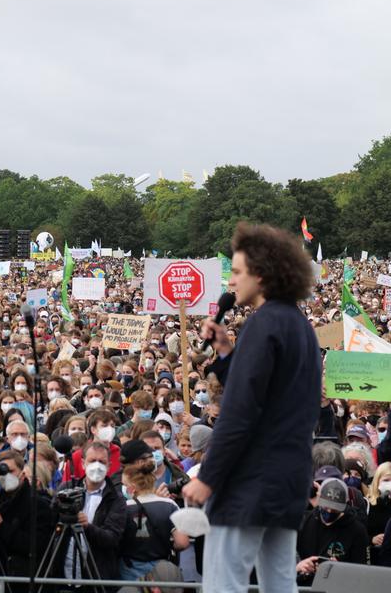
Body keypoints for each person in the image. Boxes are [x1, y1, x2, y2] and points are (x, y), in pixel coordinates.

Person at [184, 223, 321, 592]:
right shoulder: (298, 325)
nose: (232, 281)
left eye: (238, 272)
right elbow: (274, 396)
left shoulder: (263, 325)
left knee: (223, 583)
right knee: (279, 583)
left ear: (261, 276)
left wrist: (207, 477)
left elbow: (240, 412)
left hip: (250, 482)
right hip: (287, 480)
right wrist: (228, 353)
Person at [117, 440, 189, 582]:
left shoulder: (124, 507)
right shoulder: (169, 505)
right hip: (161, 569)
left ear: (131, 485)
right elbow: (182, 542)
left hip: (129, 568)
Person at [55, 440, 127, 583]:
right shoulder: (67, 488)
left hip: (97, 574)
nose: (97, 465)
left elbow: (112, 538)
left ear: (109, 466)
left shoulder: (116, 498)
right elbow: (51, 522)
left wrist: (87, 526)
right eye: (92, 460)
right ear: (83, 463)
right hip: (65, 569)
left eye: (101, 461)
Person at [0, 450, 55, 578]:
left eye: (10, 471)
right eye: (1, 472)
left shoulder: (38, 504)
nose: (5, 476)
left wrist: (2, 526)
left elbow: (37, 545)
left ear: (22, 474)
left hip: (23, 577)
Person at [296, 478, 369, 582]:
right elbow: (285, 559)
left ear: (345, 504)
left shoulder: (357, 531)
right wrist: (299, 566)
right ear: (319, 498)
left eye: (335, 509)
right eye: (326, 507)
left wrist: (342, 570)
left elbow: (364, 573)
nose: (329, 511)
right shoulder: (303, 521)